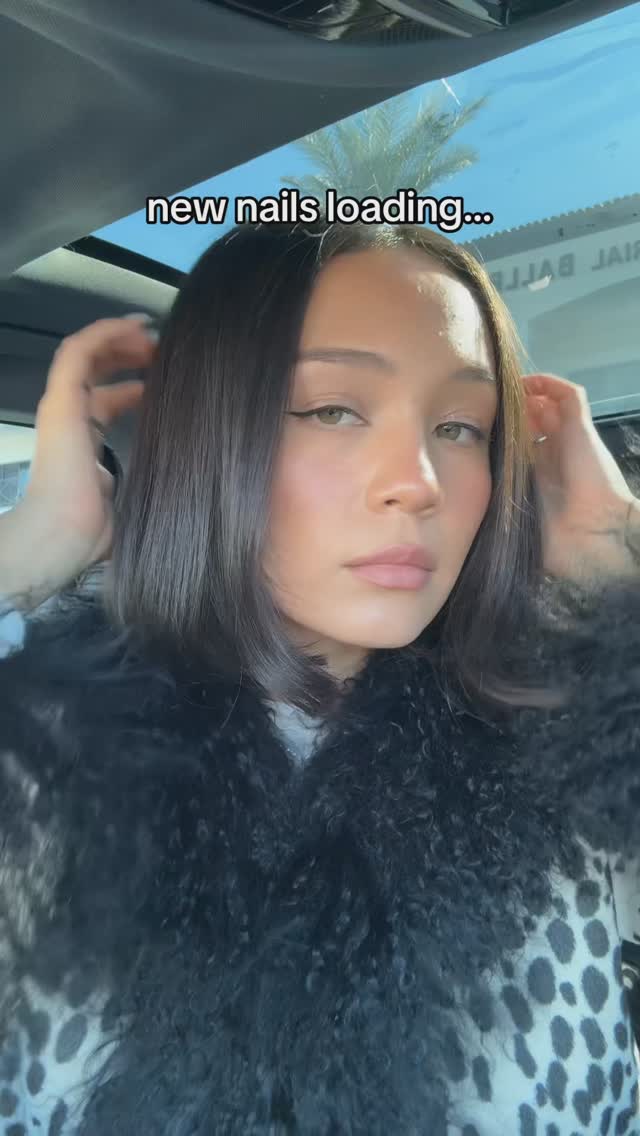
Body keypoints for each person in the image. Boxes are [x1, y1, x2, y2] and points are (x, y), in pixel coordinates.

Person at [0, 220, 640, 1136]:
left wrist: (620, 573)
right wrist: (31, 547)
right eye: (333, 409)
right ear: (209, 436)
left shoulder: (570, 745)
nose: (420, 481)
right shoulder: (44, 755)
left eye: (461, 427)